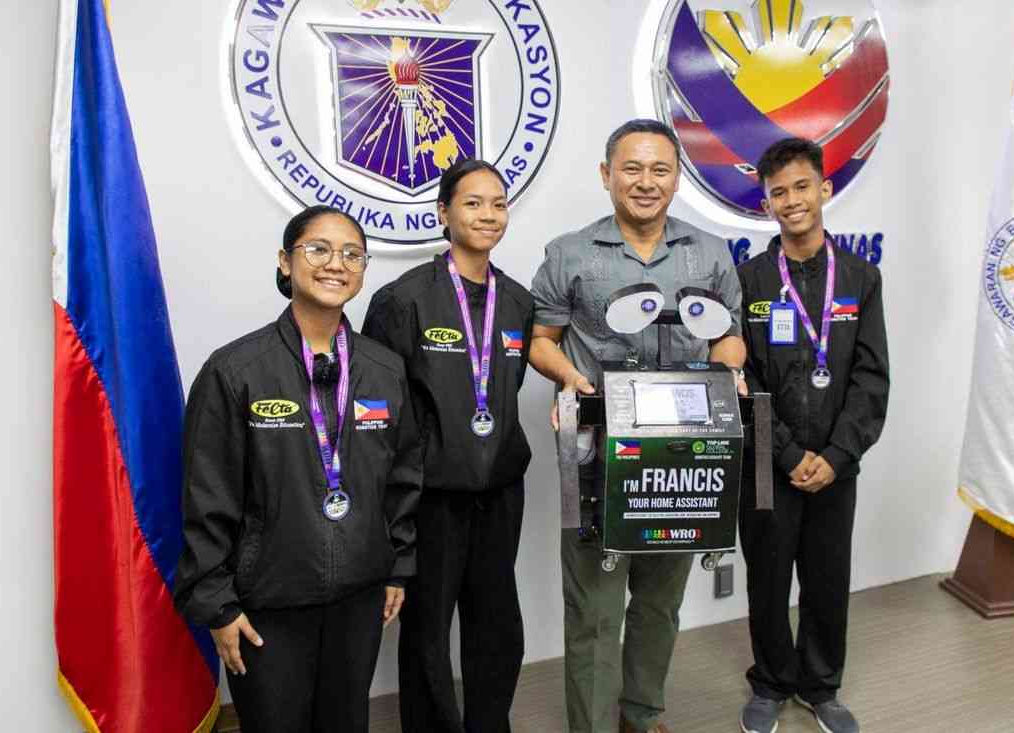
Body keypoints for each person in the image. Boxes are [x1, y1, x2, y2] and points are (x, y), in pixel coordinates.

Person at [529, 119, 747, 733]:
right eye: (631, 168)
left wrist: (727, 371)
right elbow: (540, 340)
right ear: (606, 175)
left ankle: (642, 713)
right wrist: (570, 377)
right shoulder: (568, 252)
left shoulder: (708, 252)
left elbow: (731, 337)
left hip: (682, 466)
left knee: (659, 603)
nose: (645, 182)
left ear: (678, 177)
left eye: (659, 169)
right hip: (599, 459)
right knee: (596, 610)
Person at [173, 206, 421, 733]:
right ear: (286, 263)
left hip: (359, 597)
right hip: (268, 605)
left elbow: (402, 476)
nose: (336, 263)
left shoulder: (384, 369)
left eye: (352, 254)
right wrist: (216, 603)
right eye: (319, 249)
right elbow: (206, 494)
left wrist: (397, 563)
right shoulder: (235, 370)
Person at [362, 159, 534, 733]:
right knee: (428, 630)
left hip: (501, 493)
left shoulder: (517, 302)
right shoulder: (402, 299)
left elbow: (505, 391)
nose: (488, 214)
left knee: (497, 624)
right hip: (430, 497)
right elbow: (376, 409)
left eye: (498, 203)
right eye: (473, 203)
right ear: (443, 213)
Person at [736, 138, 889, 733]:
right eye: (779, 192)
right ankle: (772, 681)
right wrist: (786, 452)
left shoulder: (860, 278)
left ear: (825, 190)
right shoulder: (747, 279)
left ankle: (821, 686)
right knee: (768, 577)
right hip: (769, 466)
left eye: (802, 187)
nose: (792, 200)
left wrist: (835, 454)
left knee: (828, 579)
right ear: (766, 203)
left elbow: (871, 376)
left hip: (835, 467)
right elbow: (742, 378)